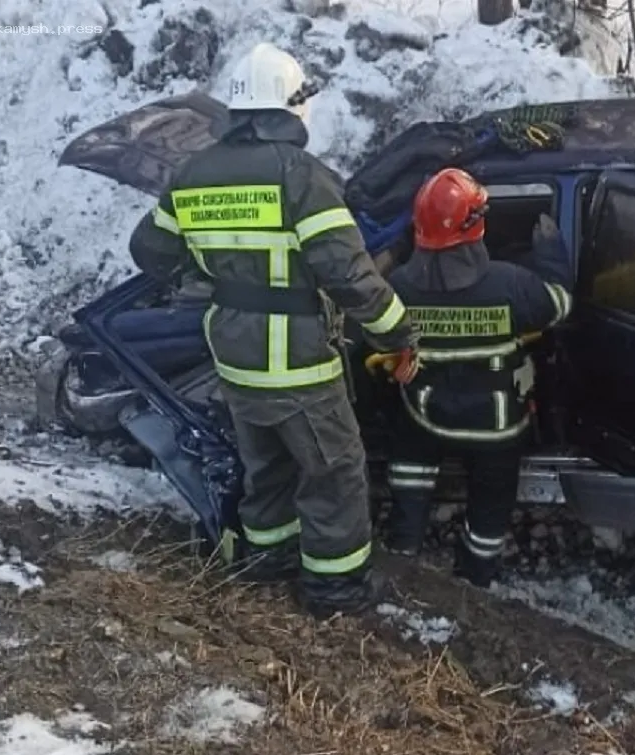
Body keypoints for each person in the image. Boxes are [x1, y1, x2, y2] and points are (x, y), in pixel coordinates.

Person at [127, 42, 419, 619]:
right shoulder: (300, 176)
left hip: (235, 355)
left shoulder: (194, 173)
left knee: (269, 463)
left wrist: (210, 272)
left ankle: (268, 560)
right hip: (297, 358)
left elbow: (148, 249)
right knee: (334, 468)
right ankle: (336, 588)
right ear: (290, 108)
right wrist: (398, 333)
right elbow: (349, 274)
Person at [378, 168, 572, 587]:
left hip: (426, 416)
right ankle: (474, 579)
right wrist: (551, 255)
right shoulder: (512, 284)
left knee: (409, 472)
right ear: (477, 223)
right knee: (490, 504)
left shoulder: (397, 288)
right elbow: (559, 305)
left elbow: (371, 333)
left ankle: (401, 558)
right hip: (496, 427)